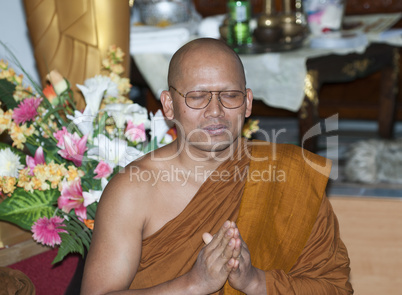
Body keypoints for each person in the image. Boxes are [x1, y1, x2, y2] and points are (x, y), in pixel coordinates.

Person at [81, 38, 353, 294]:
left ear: (247, 103)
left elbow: (335, 288)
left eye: (230, 95)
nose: (215, 111)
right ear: (168, 105)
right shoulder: (132, 191)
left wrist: (255, 281)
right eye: (198, 96)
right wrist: (193, 284)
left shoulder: (292, 175)